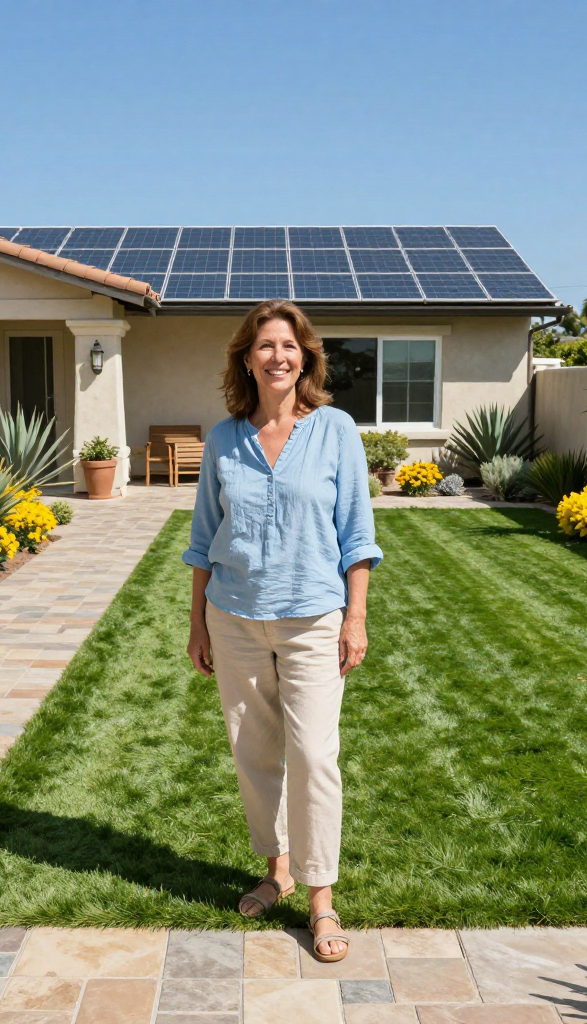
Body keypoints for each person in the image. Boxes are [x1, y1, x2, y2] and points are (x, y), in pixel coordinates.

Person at [182, 299, 382, 964]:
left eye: (289, 346)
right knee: (255, 750)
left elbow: (357, 534)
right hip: (233, 616)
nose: (278, 356)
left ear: (306, 357)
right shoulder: (222, 439)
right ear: (246, 358)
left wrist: (355, 616)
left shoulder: (336, 431)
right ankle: (278, 870)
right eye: (265, 345)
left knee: (315, 756)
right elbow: (203, 541)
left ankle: (320, 900)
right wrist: (197, 623)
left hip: (313, 617)